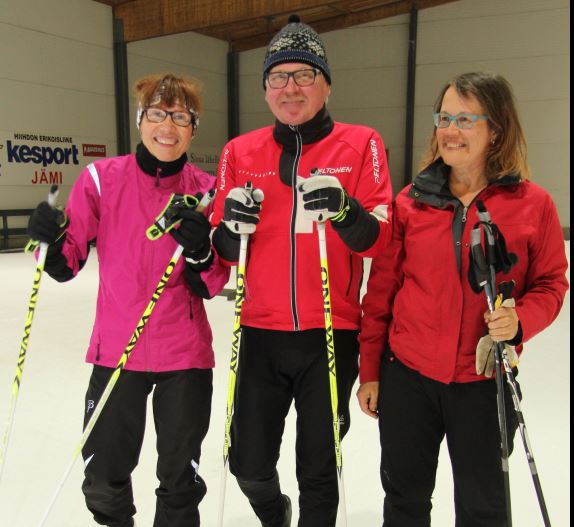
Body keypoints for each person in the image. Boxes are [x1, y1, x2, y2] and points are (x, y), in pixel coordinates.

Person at [357, 71, 569, 526]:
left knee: (483, 508)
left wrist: (520, 321)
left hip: (483, 383)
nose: (450, 130)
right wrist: (371, 370)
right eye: (444, 117)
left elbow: (552, 283)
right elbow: (381, 295)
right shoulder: (411, 202)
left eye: (466, 119)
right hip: (409, 377)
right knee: (404, 499)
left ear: (496, 129)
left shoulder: (533, 204)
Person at [210, 14, 393, 527]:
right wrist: (230, 226)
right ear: (266, 88)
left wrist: (343, 210)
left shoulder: (361, 144)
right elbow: (223, 250)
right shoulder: (238, 153)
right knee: (247, 463)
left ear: (326, 83)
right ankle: (273, 512)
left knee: (317, 467)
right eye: (278, 77)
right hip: (260, 332)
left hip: (330, 333)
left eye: (304, 75)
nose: (290, 88)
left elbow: (380, 235)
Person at [27, 73, 229, 527]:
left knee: (180, 481)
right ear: (140, 120)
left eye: (181, 116)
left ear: (193, 127)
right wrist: (49, 239)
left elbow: (215, 281)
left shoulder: (205, 189)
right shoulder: (101, 179)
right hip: (118, 348)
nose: (167, 125)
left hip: (184, 354)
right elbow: (67, 261)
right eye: (158, 113)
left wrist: (199, 250)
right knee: (102, 477)